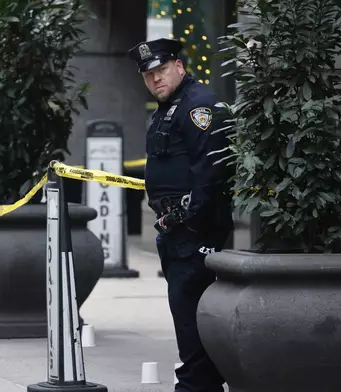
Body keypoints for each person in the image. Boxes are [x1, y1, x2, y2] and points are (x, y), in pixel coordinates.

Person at [127, 38, 234, 392]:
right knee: (187, 318)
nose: (155, 79)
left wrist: (185, 221)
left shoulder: (198, 107)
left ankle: (194, 386)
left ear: (179, 66)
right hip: (175, 231)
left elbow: (212, 176)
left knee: (193, 320)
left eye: (161, 70)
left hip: (194, 232)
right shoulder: (169, 106)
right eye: (149, 75)